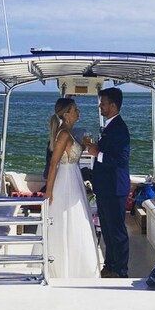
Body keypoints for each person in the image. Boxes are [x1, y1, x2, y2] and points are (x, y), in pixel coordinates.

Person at [45, 98, 100, 279]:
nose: (79, 112)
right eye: (76, 109)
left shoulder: (68, 133)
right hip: (66, 181)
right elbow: (53, 164)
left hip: (74, 178)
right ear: (67, 114)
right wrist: (49, 192)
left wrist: (83, 145)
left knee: (78, 220)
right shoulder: (63, 135)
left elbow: (71, 153)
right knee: (69, 220)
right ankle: (67, 267)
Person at [86, 87, 130, 278]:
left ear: (112, 106)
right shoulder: (110, 126)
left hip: (115, 188)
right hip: (105, 187)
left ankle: (121, 270)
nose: (100, 106)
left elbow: (121, 160)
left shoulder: (120, 129)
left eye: (102, 103)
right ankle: (110, 264)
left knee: (117, 231)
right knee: (107, 229)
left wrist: (98, 154)